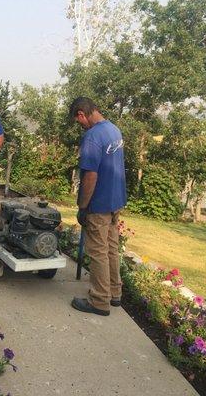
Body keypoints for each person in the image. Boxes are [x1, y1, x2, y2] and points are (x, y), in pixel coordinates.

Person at [69, 97, 127, 316]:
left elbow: (90, 176)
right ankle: (114, 293)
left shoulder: (92, 136)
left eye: (79, 121)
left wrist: (83, 207)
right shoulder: (114, 130)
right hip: (116, 201)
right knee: (111, 248)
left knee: (98, 252)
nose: (80, 125)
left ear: (82, 114)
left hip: (99, 203)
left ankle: (99, 301)